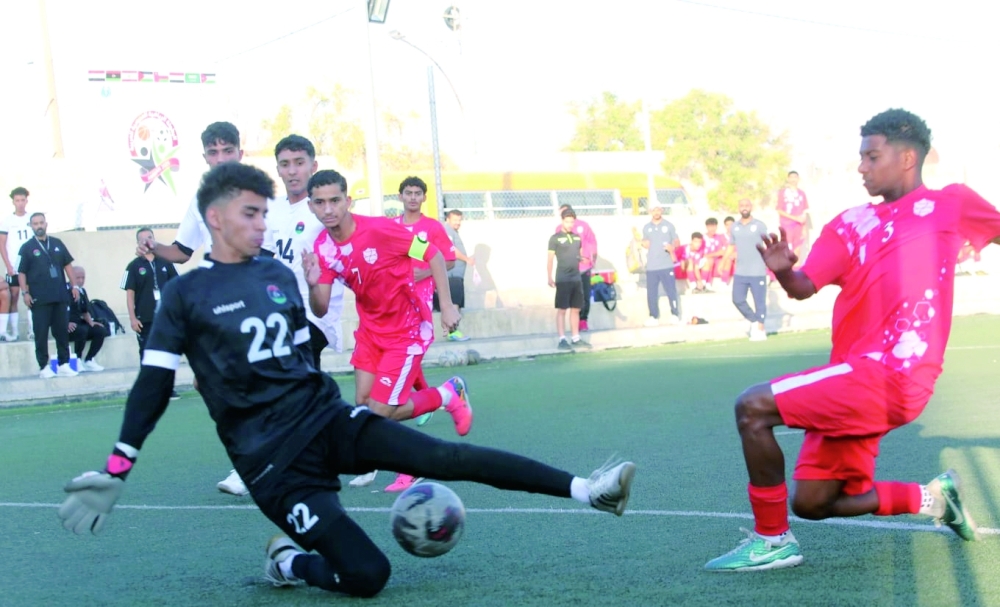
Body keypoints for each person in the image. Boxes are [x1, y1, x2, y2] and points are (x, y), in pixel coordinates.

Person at [56, 162, 638, 598]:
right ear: (215, 219)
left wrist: (311, 311)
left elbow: (301, 348)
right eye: (250, 213)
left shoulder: (276, 273)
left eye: (265, 212)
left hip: (327, 422)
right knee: (368, 575)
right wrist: (117, 467)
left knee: (444, 456)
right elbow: (152, 386)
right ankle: (286, 563)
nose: (263, 223)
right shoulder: (185, 296)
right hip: (272, 465)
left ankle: (589, 490)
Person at [705, 108, 1000, 572]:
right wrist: (784, 271)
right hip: (855, 376)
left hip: (896, 376)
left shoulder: (952, 203)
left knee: (752, 406)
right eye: (860, 157)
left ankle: (772, 540)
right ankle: (936, 499)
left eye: (870, 156)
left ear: (907, 158)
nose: (861, 166)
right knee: (814, 501)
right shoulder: (849, 223)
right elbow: (804, 286)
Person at [303, 170, 475, 490]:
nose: (328, 209)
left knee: (379, 413)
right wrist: (313, 285)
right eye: (320, 202)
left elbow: (434, 255)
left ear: (348, 201)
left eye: (335, 200)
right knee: (364, 406)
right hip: (369, 332)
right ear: (311, 206)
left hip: (406, 330)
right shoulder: (322, 248)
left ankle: (446, 395)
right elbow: (321, 308)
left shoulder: (381, 229)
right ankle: (399, 450)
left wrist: (447, 305)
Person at [135, 121, 270, 497]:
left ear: (240, 153)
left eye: (228, 151)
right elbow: (181, 252)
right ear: (205, 157)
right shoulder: (200, 201)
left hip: (262, 302)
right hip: (222, 303)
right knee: (206, 380)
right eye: (214, 152)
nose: (221, 158)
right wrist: (153, 246)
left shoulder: (261, 196)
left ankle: (254, 462)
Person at [264, 134, 345, 362]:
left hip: (316, 313)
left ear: (313, 166)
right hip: (281, 309)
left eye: (299, 163)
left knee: (295, 369)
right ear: (278, 169)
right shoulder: (272, 208)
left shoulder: (324, 208)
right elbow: (264, 256)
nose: (292, 171)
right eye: (285, 164)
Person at [17, 212, 79, 378]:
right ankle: (44, 366)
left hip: (59, 296)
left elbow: (68, 266)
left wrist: (75, 286)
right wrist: (25, 293)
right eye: (35, 223)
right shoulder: (27, 248)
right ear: (31, 226)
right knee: (41, 333)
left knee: (61, 332)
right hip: (39, 298)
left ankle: (64, 364)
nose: (38, 226)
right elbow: (21, 273)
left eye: (41, 223)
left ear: (46, 224)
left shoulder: (57, 243)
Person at [121, 227, 180, 399]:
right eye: (143, 238)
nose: (147, 241)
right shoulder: (133, 266)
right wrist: (132, 318)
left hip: (165, 318)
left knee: (167, 353)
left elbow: (176, 288)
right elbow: (130, 295)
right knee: (147, 353)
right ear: (138, 243)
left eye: (150, 237)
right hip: (145, 318)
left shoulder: (166, 262)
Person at [547, 207, 591, 350]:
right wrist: (549, 277)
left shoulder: (577, 238)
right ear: (562, 221)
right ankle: (561, 339)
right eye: (567, 222)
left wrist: (583, 259)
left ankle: (575, 337)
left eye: (572, 222)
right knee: (562, 310)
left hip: (575, 278)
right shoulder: (555, 239)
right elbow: (550, 259)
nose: (570, 225)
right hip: (563, 278)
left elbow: (578, 255)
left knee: (576, 309)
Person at [728, 199, 768, 341]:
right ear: (739, 208)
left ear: (751, 207)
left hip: (757, 270)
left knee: (759, 301)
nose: (744, 208)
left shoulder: (759, 225)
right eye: (742, 206)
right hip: (741, 271)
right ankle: (754, 320)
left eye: (746, 205)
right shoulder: (734, 227)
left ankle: (760, 329)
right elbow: (731, 246)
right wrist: (724, 262)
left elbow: (768, 244)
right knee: (737, 299)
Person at [553, 204, 598, 332]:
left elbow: (592, 242)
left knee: (584, 295)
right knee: (567, 299)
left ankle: (583, 320)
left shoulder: (583, 226)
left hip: (583, 268)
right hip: (568, 270)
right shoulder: (558, 229)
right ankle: (567, 330)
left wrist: (592, 258)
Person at [434, 209, 475, 341]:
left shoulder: (453, 232)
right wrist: (467, 259)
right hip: (452, 275)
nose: (457, 222)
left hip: (456, 275)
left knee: (457, 302)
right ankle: (453, 332)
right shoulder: (447, 231)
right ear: (448, 219)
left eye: (459, 220)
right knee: (454, 303)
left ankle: (452, 331)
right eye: (455, 220)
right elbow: (451, 249)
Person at [0, 186, 33, 341]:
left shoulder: (32, 218)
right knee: (13, 296)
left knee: (31, 296)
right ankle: (14, 332)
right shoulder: (7, 221)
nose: (20, 203)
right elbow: (2, 244)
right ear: (13, 202)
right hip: (14, 265)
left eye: (22, 200)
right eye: (17, 200)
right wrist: (8, 265)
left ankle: (32, 331)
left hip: (31, 267)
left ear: (26, 200)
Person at [640, 201, 680, 326]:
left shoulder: (668, 225)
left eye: (658, 209)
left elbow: (677, 242)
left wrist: (671, 247)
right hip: (652, 265)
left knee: (671, 290)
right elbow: (645, 242)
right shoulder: (647, 227)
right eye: (653, 210)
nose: (656, 212)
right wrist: (643, 243)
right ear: (650, 211)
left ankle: (675, 314)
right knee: (651, 292)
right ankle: (653, 316)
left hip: (666, 264)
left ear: (661, 210)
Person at [67, 266, 108, 372]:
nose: (81, 280)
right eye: (77, 278)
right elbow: (58, 311)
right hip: (67, 326)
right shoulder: (64, 290)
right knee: (82, 330)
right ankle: (77, 360)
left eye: (83, 278)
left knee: (100, 330)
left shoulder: (82, 291)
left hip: (79, 323)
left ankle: (89, 360)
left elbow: (85, 311)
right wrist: (65, 323)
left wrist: (92, 322)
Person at [776, 171, 810, 264]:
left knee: (797, 251)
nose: (793, 179)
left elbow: (804, 212)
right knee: (787, 250)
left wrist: (804, 228)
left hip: (798, 227)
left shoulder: (802, 194)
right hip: (787, 226)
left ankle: (796, 274)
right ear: (788, 179)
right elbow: (779, 210)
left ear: (798, 179)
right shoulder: (783, 193)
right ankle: (787, 274)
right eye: (791, 177)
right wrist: (795, 218)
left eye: (795, 177)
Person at [702, 217, 728, 289]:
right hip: (703, 261)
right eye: (710, 226)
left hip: (717, 262)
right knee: (710, 260)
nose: (713, 228)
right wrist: (716, 254)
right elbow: (701, 254)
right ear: (707, 227)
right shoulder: (702, 238)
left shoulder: (719, 237)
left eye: (714, 226)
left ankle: (724, 284)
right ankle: (705, 284)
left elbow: (723, 251)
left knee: (727, 260)